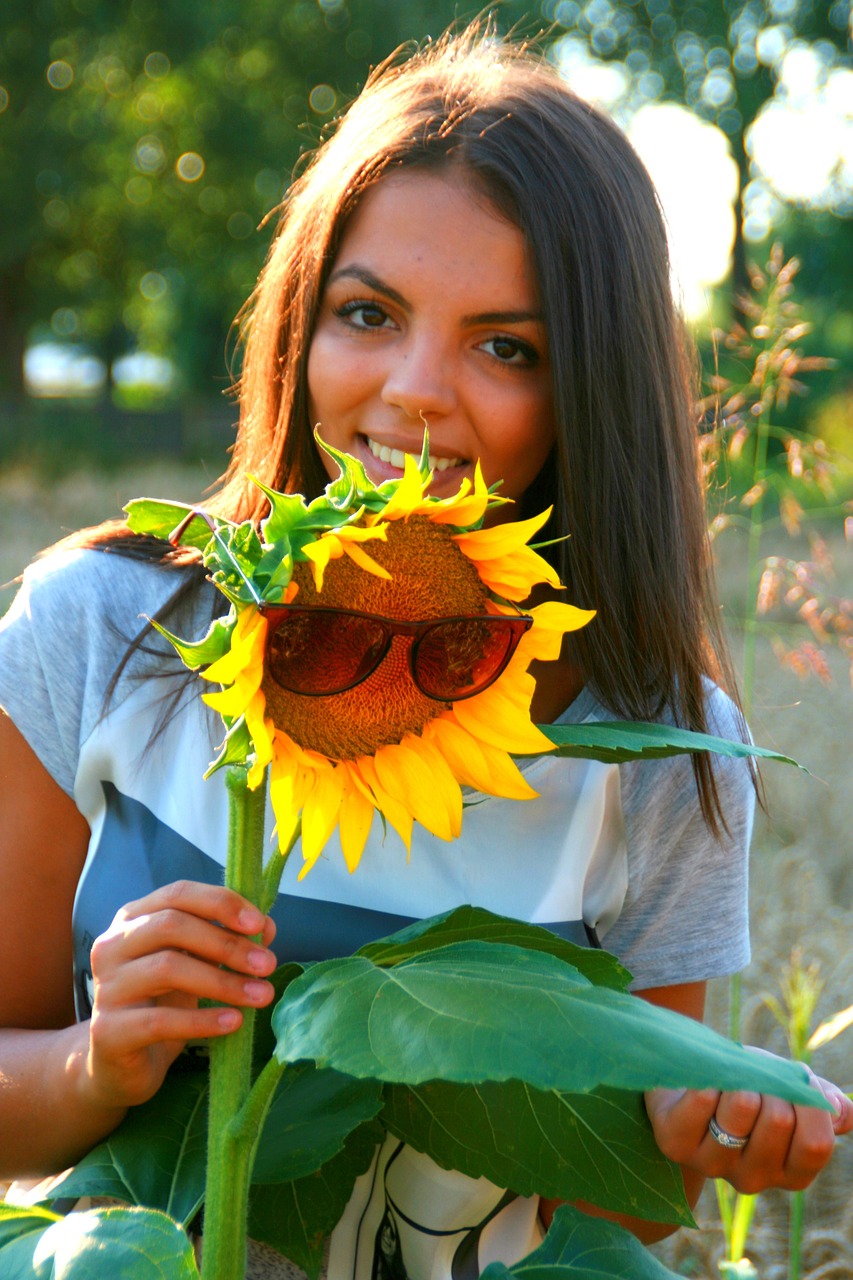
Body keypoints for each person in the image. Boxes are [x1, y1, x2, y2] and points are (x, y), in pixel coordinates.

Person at [0, 24, 849, 1278]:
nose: (413, 388)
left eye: (507, 346)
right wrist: (94, 1058)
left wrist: (704, 1122)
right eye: (367, 312)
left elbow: (633, 1199)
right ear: (300, 325)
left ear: (589, 393)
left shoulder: (657, 744)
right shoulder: (105, 629)